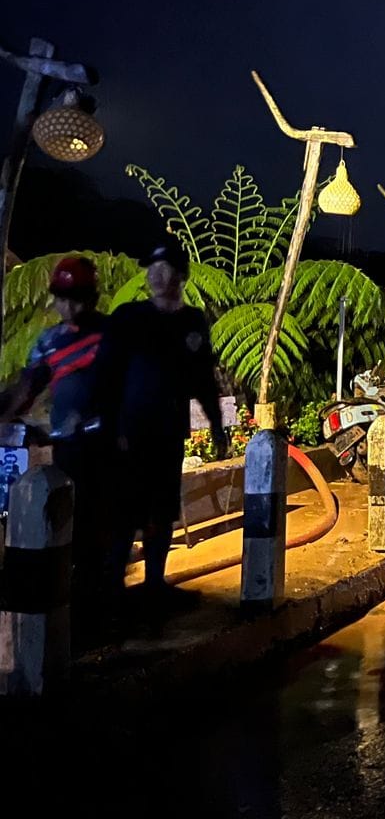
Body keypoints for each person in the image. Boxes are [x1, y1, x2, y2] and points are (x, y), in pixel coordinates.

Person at [97, 239, 225, 619]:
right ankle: (111, 589)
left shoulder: (192, 322)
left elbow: (203, 378)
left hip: (168, 431)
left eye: (164, 267)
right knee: (124, 511)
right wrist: (110, 425)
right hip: (128, 431)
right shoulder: (128, 317)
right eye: (151, 268)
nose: (155, 274)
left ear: (181, 275)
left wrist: (217, 426)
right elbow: (107, 374)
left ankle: (155, 582)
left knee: (162, 508)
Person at [0, 256, 117, 643]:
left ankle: (99, 617)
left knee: (99, 535)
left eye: (78, 297)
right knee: (71, 532)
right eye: (64, 297)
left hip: (106, 447)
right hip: (68, 449)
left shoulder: (111, 336)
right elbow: (28, 386)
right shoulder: (49, 341)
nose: (70, 305)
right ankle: (77, 618)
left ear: (92, 297)